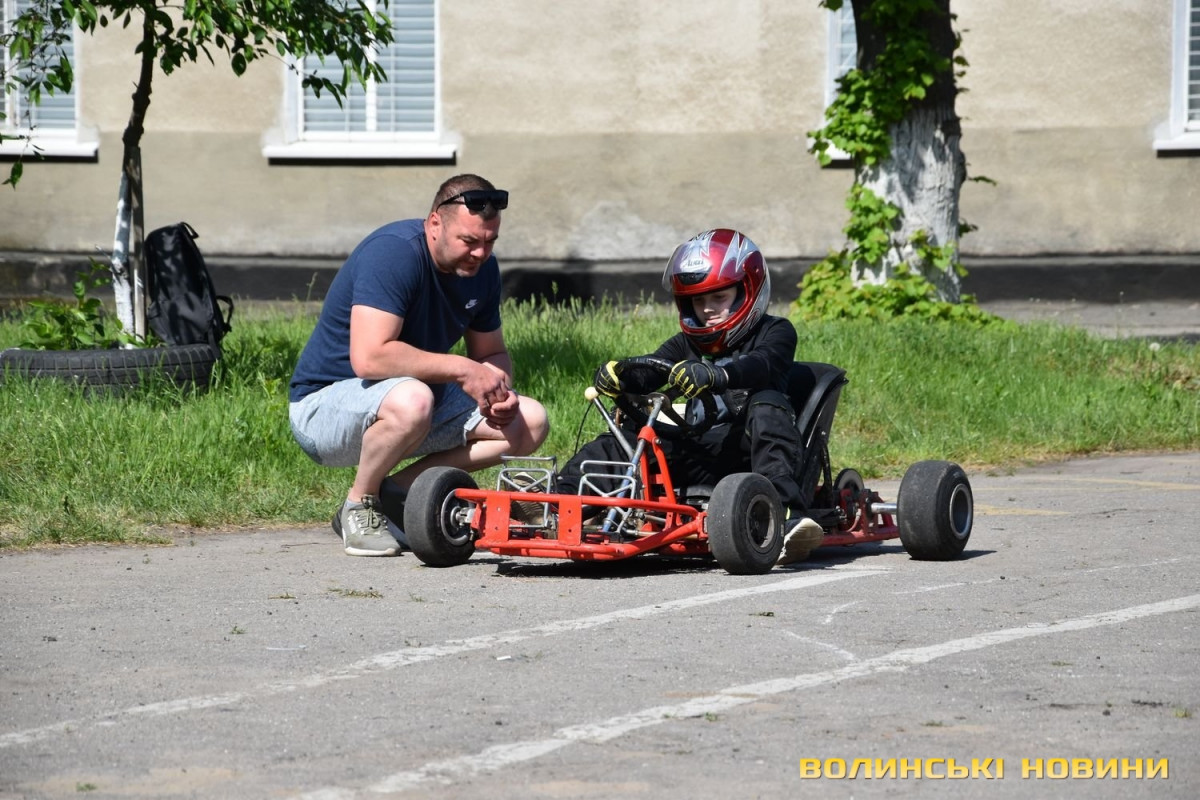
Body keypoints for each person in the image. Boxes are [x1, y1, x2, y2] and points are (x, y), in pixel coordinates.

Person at [288, 174, 550, 556]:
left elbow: (491, 353)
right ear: (434, 224)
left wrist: (497, 389)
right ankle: (360, 504)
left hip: (413, 401)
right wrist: (464, 370)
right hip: (323, 408)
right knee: (414, 398)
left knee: (529, 421)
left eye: (490, 242)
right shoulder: (394, 253)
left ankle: (396, 493)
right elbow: (370, 357)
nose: (480, 253)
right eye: (469, 241)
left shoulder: (482, 271)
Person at [556, 228, 824, 566]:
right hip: (698, 453)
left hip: (750, 456)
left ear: (747, 293)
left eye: (719, 298)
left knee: (766, 403)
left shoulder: (776, 332)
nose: (708, 310)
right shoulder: (686, 345)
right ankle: (556, 503)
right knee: (630, 435)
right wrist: (621, 376)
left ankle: (783, 516)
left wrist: (718, 375)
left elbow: (763, 365)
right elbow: (650, 372)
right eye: (699, 301)